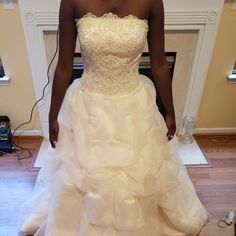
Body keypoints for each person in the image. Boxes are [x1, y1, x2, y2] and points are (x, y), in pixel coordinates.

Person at [19, 0, 208, 235]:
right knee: (83, 175)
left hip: (134, 107)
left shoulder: (151, 2)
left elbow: (159, 63)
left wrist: (170, 110)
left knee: (138, 175)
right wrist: (53, 115)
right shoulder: (71, 1)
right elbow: (64, 66)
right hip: (87, 109)